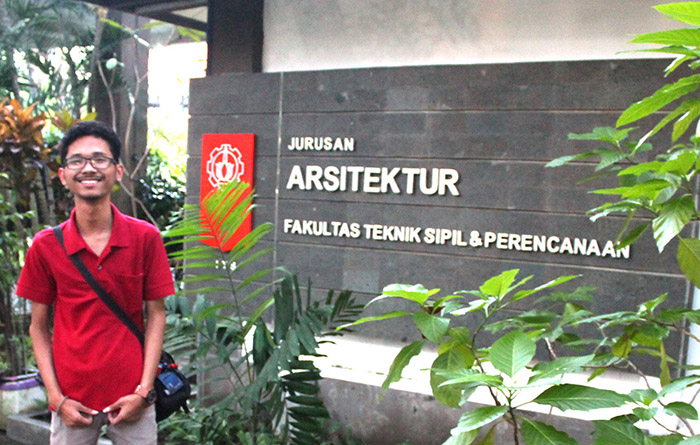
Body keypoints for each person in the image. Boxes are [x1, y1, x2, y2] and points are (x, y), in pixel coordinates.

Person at [16, 121, 174, 445]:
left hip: (133, 396)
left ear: (118, 171)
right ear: (63, 176)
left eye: (99, 159)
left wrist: (144, 392)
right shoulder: (46, 246)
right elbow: (38, 327)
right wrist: (56, 399)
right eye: (77, 161)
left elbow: (157, 315)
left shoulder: (145, 238)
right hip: (71, 401)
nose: (89, 168)